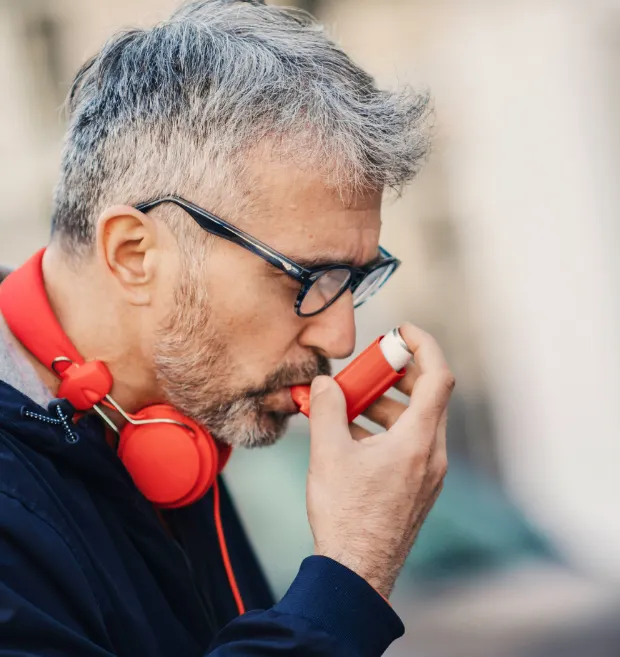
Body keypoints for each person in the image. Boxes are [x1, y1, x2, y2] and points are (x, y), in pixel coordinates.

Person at [0, 0, 453, 655]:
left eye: (352, 278)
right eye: (305, 277)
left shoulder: (169, 428)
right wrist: (352, 568)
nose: (340, 339)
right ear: (134, 253)